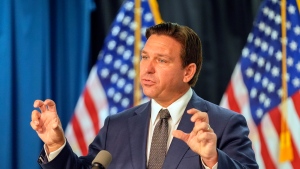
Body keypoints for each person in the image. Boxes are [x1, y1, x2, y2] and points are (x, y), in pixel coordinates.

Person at [30, 22, 258, 169]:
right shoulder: (117, 126)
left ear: (188, 71)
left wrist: (213, 160)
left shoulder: (224, 124)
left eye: (161, 60)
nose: (147, 68)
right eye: (145, 57)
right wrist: (57, 144)